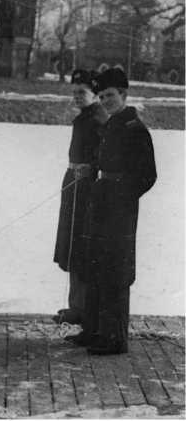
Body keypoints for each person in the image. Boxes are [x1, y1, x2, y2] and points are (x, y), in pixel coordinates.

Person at [79, 67, 157, 354]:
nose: (106, 100)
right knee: (96, 265)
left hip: (120, 211)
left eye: (110, 95)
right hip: (102, 203)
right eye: (101, 96)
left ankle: (114, 338)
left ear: (124, 94)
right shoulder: (112, 124)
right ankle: (94, 330)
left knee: (116, 271)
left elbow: (147, 175)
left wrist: (120, 196)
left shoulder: (135, 129)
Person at [53, 69, 108, 327]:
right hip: (74, 183)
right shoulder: (85, 117)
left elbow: (106, 154)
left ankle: (85, 307)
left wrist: (91, 168)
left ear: (95, 94)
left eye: (81, 92)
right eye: (74, 92)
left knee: (82, 247)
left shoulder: (98, 118)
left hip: (86, 188)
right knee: (72, 246)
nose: (76, 97)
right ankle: (77, 305)